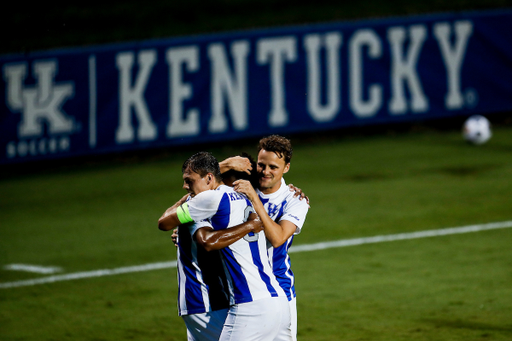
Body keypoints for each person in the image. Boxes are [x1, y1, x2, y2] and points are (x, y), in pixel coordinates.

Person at [159, 151, 292, 341]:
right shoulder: (252, 200)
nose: (185, 187)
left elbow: (164, 223)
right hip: (278, 300)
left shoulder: (208, 199)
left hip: (249, 304)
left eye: (189, 181)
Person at [230, 135, 310, 341]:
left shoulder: (295, 200)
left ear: (286, 168)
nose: (266, 172)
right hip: (244, 288)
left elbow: (278, 238)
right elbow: (201, 183)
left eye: (273, 167)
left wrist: (254, 198)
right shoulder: (242, 186)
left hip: (280, 289)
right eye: (262, 165)